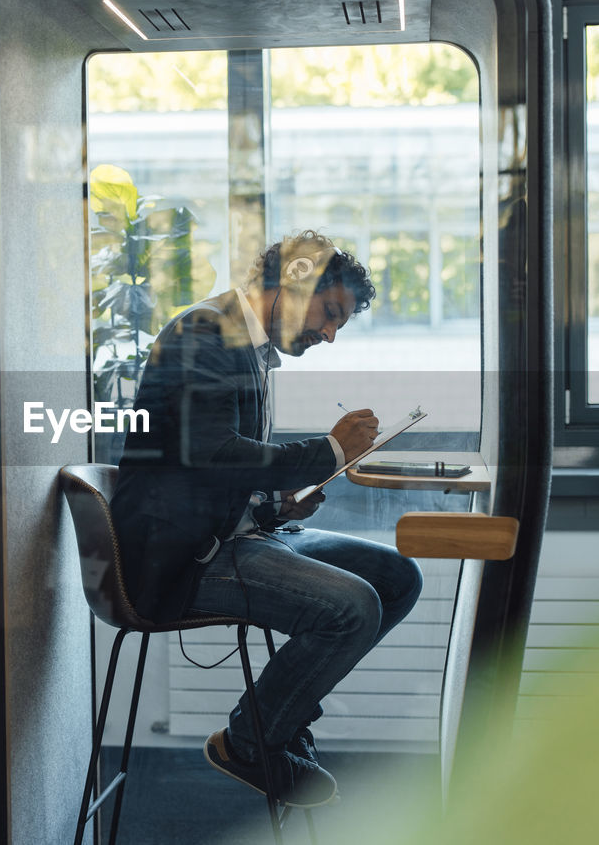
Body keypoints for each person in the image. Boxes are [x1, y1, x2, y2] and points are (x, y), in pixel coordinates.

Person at [110, 229, 423, 808]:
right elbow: (214, 455)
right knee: (352, 609)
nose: (329, 335)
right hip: (181, 557)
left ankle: (277, 721)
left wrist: (273, 506)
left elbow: (211, 466)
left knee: (399, 578)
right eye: (330, 315)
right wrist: (330, 450)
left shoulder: (247, 348)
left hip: (228, 532)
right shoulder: (201, 334)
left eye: (339, 326)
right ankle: (252, 741)